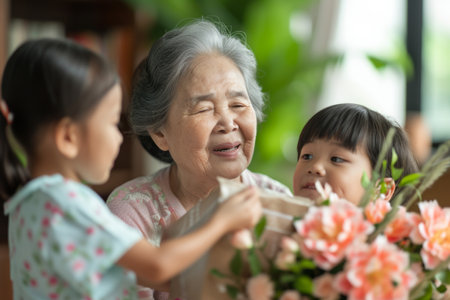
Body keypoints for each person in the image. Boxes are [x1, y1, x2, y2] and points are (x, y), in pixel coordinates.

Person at [0, 38, 263, 300]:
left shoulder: (27, 202)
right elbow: (158, 268)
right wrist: (221, 221)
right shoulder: (69, 203)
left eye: (238, 104)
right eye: (112, 123)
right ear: (68, 137)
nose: (119, 137)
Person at [106, 19, 292, 299]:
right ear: (160, 133)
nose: (228, 123)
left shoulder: (278, 200)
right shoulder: (133, 213)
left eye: (239, 104)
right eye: (204, 109)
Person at [293, 103, 418, 204]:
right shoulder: (277, 222)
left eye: (336, 159)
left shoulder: (380, 236)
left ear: (381, 190)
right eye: (307, 156)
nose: (315, 167)